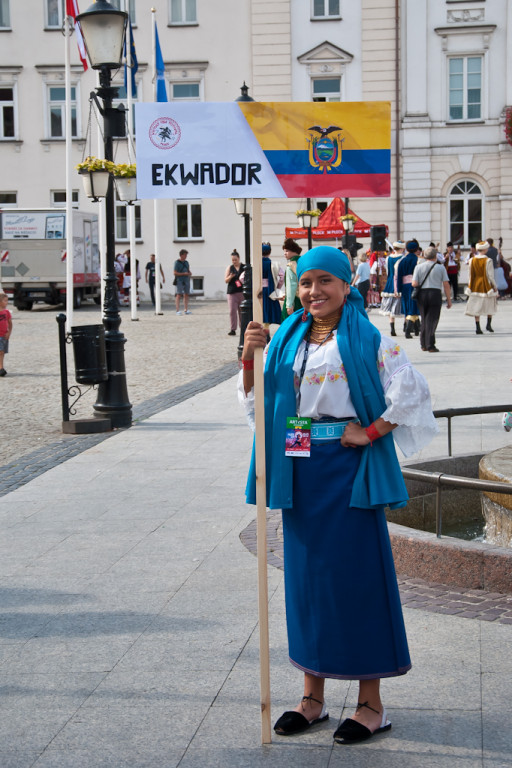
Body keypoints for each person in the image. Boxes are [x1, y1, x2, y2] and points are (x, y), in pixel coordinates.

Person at [239, 246, 438, 745]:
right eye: (306, 283)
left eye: (325, 281)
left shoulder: (368, 336)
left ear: (348, 284)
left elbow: (410, 392)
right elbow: (259, 403)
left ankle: (371, 704)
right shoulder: (285, 335)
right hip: (299, 468)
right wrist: (250, 354)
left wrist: (368, 433)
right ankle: (312, 698)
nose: (314, 292)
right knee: (308, 583)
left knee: (357, 580)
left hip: (349, 473)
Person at [412, 245, 452, 352]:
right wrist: (449, 299)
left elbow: (414, 283)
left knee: (424, 318)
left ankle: (423, 344)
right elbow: (446, 284)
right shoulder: (440, 267)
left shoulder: (418, 267)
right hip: (435, 293)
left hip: (422, 294)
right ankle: (430, 344)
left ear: (424, 256)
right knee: (432, 319)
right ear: (435, 256)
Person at [465, 241, 498, 333]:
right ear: (485, 249)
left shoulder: (472, 260)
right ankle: (488, 324)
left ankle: (478, 327)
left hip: (475, 284)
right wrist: (494, 286)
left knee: (477, 306)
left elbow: (470, 275)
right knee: (489, 304)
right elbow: (490, 275)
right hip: (485, 284)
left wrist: (469, 285)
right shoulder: (488, 260)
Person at [380, 240, 405, 336]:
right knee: (402, 304)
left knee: (390, 305)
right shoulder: (403, 258)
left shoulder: (388, 258)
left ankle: (392, 328)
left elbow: (387, 271)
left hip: (390, 281)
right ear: (402, 248)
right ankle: (405, 326)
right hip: (399, 282)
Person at [397, 240, 420, 338]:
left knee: (407, 305)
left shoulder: (402, 261)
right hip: (415, 285)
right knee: (413, 306)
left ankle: (416, 329)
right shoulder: (418, 260)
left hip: (405, 286)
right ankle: (408, 330)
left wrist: (399, 289)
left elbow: (399, 276)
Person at [261, 242, 283, 325]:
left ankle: (264, 331)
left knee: (261, 312)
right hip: (270, 290)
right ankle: (266, 329)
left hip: (258, 290)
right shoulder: (274, 264)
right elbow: (282, 276)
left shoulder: (255, 264)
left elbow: (242, 277)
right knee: (271, 312)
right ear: (270, 252)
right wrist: (277, 288)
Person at [281, 238, 302, 320]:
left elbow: (291, 286)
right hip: (304, 300)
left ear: (293, 251)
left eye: (286, 251)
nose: (284, 253)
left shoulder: (290, 266)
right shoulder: (302, 262)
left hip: (295, 300)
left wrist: (289, 305)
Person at [225, 249, 245, 335]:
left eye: (235, 260)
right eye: (232, 260)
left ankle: (243, 327)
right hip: (232, 292)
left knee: (242, 311)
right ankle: (233, 329)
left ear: (239, 258)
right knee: (232, 311)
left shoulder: (244, 267)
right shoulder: (230, 268)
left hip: (242, 292)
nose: (234, 261)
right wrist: (230, 276)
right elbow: (226, 280)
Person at [174, 248, 192, 315]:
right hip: (180, 280)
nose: (186, 256)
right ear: (181, 255)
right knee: (179, 294)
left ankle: (186, 309)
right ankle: (177, 310)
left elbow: (188, 270)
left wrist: (189, 273)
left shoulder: (186, 262)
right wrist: (183, 274)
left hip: (186, 279)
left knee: (186, 294)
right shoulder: (177, 263)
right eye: (185, 255)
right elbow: (175, 273)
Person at [0, 293, 12, 376]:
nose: (7, 302)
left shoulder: (6, 312)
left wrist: (9, 333)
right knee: (0, 351)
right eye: (5, 301)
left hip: (3, 335)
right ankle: (1, 368)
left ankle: (1, 366)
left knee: (2, 352)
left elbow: (10, 323)